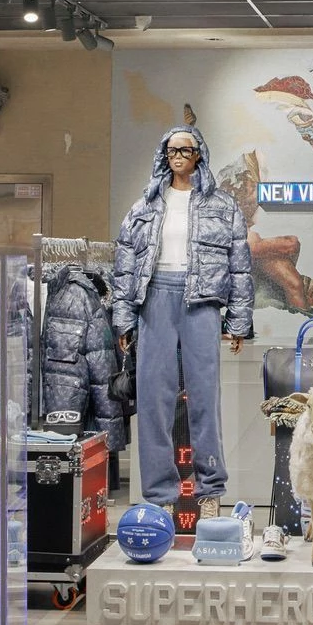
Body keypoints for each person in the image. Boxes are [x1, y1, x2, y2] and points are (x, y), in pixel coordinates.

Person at [112, 126, 253, 519]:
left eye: (185, 149)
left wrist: (238, 320)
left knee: (205, 398)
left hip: (202, 302)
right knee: (153, 401)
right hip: (154, 297)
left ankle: (210, 492)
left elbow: (240, 267)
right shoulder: (144, 206)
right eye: (171, 150)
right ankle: (160, 495)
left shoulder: (222, 206)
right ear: (164, 155)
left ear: (198, 154)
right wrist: (124, 319)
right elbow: (124, 265)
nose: (177, 156)